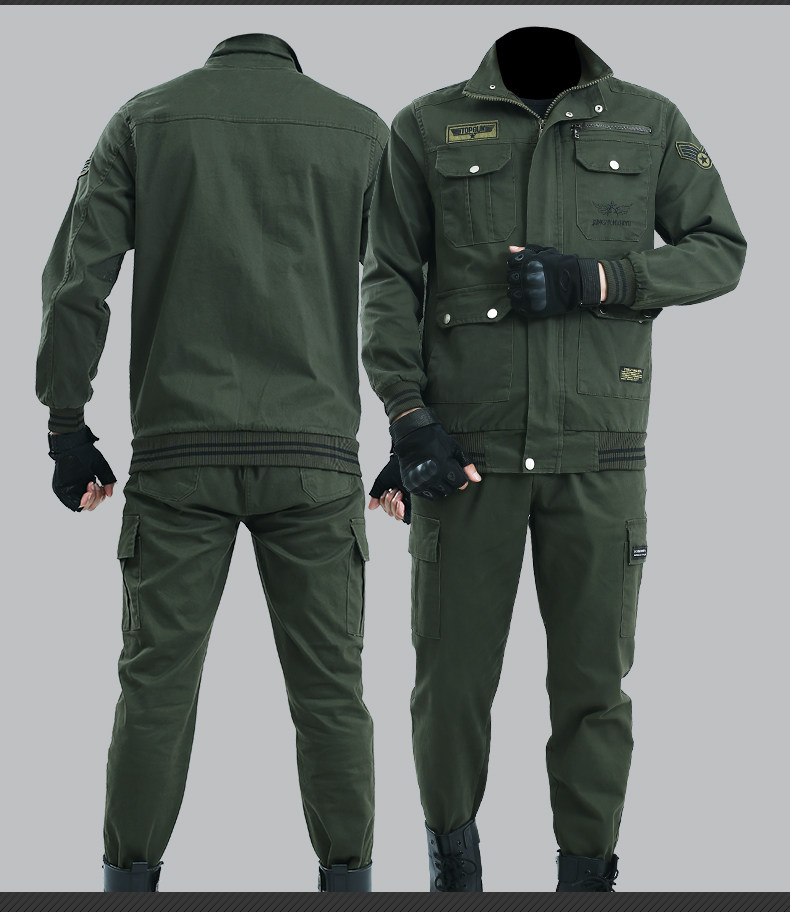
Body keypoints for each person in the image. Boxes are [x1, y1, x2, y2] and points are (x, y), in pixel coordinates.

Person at [362, 25, 746, 892]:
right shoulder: (425, 125)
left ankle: (587, 883)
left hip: (599, 454)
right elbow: (388, 277)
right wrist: (408, 417)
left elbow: (720, 249)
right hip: (466, 456)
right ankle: (453, 877)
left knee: (593, 689)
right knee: (449, 687)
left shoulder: (648, 122)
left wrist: (599, 280)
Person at [37, 33, 388, 892]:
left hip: (177, 455)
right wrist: (417, 428)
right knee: (331, 692)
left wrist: (67, 425)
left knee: (154, 687)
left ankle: (127, 887)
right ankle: (350, 886)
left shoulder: (145, 120)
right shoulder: (359, 133)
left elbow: (79, 281)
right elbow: (416, 289)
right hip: (314, 460)